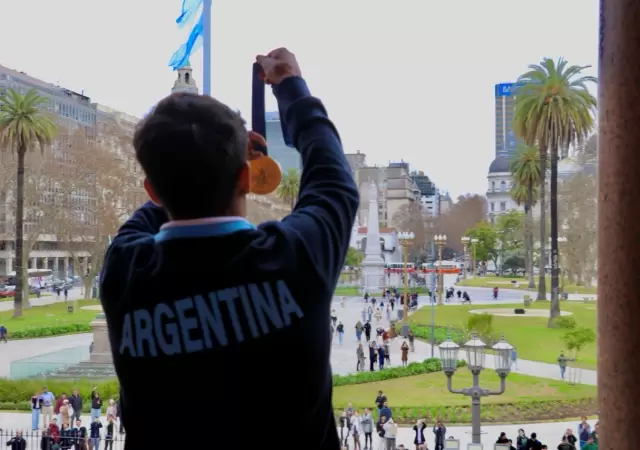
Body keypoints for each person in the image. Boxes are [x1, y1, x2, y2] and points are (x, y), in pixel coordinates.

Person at [98, 48, 359, 450]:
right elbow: (333, 180)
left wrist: (179, 166)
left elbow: (155, 204)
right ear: (246, 177)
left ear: (152, 189)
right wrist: (290, 84)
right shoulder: (295, 258)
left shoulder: (122, 271)